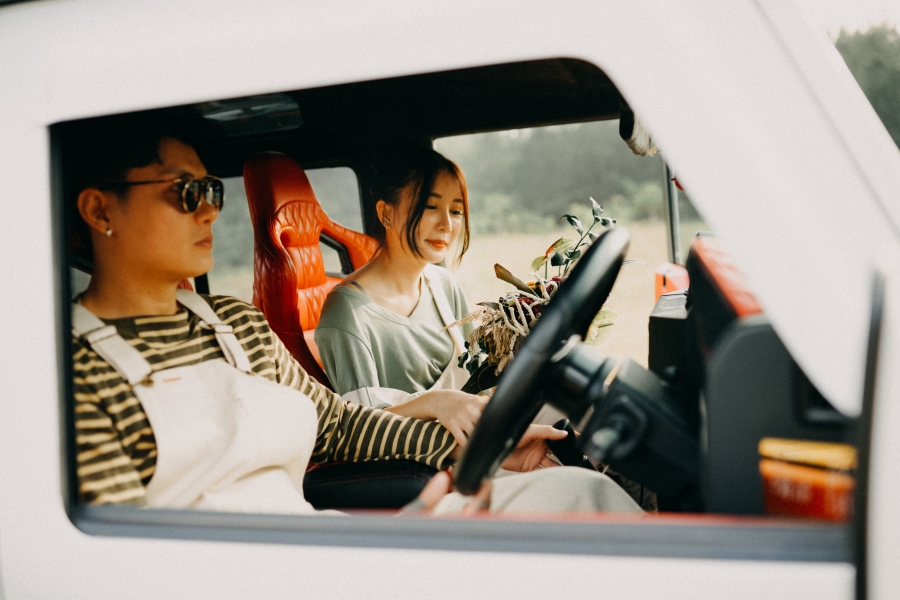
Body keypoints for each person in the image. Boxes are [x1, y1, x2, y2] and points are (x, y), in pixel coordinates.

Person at [67, 112, 641, 515]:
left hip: (317, 536)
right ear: (100, 209)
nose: (210, 213)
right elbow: (125, 560)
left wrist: (475, 448)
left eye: (213, 192)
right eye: (187, 192)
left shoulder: (236, 324)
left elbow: (339, 424)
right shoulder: (71, 374)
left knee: (583, 495)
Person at [316, 146, 562, 446]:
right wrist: (436, 404)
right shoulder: (347, 316)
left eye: (456, 211)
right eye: (430, 207)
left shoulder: (445, 286)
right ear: (386, 213)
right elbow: (361, 432)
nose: (447, 224)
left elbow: (482, 382)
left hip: (484, 439)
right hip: (426, 468)